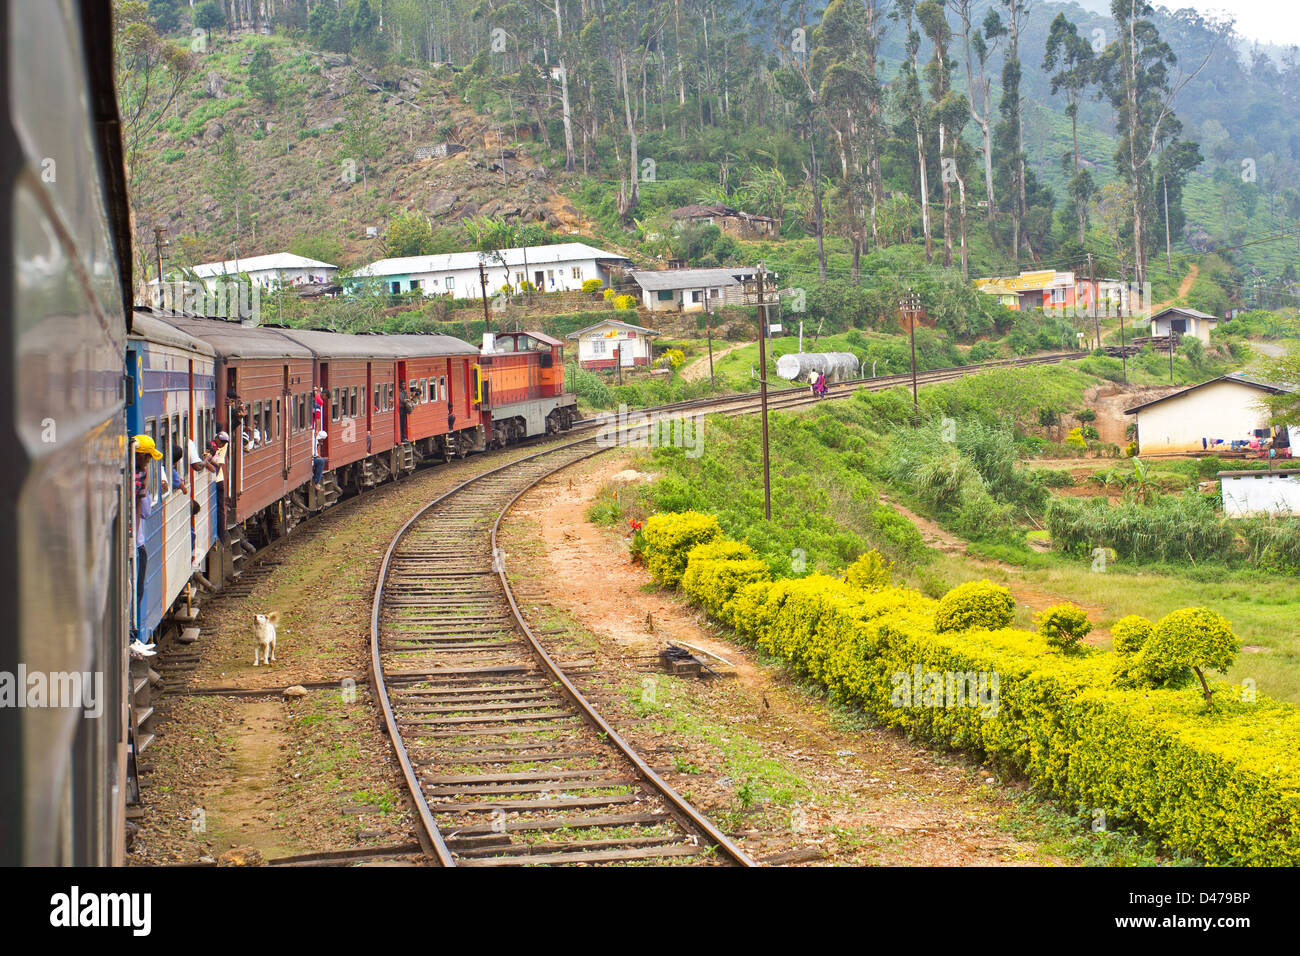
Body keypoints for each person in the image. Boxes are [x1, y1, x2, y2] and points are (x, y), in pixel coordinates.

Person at [204, 431, 230, 544]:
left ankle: (222, 536)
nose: (223, 444)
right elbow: (217, 466)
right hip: (217, 480)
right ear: (216, 438)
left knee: (220, 509)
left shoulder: (216, 448)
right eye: (222, 441)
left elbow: (217, 467)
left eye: (225, 443)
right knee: (219, 509)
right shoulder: (213, 448)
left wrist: (210, 461)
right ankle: (221, 537)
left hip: (218, 480)